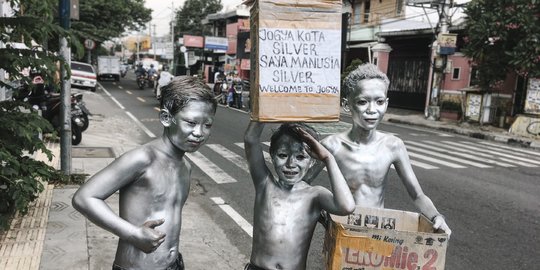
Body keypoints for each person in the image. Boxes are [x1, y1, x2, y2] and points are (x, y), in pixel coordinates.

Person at [72, 76, 217, 270]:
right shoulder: (143, 159)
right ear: (166, 118)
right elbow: (84, 197)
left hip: (173, 265)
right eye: (191, 123)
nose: (199, 133)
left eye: (207, 125)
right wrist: (133, 234)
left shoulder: (185, 167)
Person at [310, 63, 452, 237]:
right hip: (341, 234)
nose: (372, 110)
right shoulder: (331, 145)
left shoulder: (393, 145)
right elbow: (302, 186)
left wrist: (436, 216)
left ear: (386, 103)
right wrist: (319, 210)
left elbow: (417, 195)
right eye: (363, 102)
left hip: (377, 233)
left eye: (379, 101)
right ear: (347, 104)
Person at [244, 121, 355, 270]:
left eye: (301, 157)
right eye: (283, 155)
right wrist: (265, 107)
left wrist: (328, 158)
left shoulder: (315, 195)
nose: (291, 164)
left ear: (312, 161)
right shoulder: (265, 184)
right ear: (271, 155)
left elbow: (346, 207)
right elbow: (251, 139)